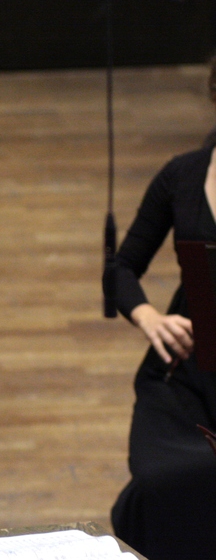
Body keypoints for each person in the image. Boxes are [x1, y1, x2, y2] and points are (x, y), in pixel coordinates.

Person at [107, 59, 216, 559]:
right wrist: (149, 317)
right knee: (164, 482)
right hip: (182, 377)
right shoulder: (183, 174)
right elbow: (121, 268)